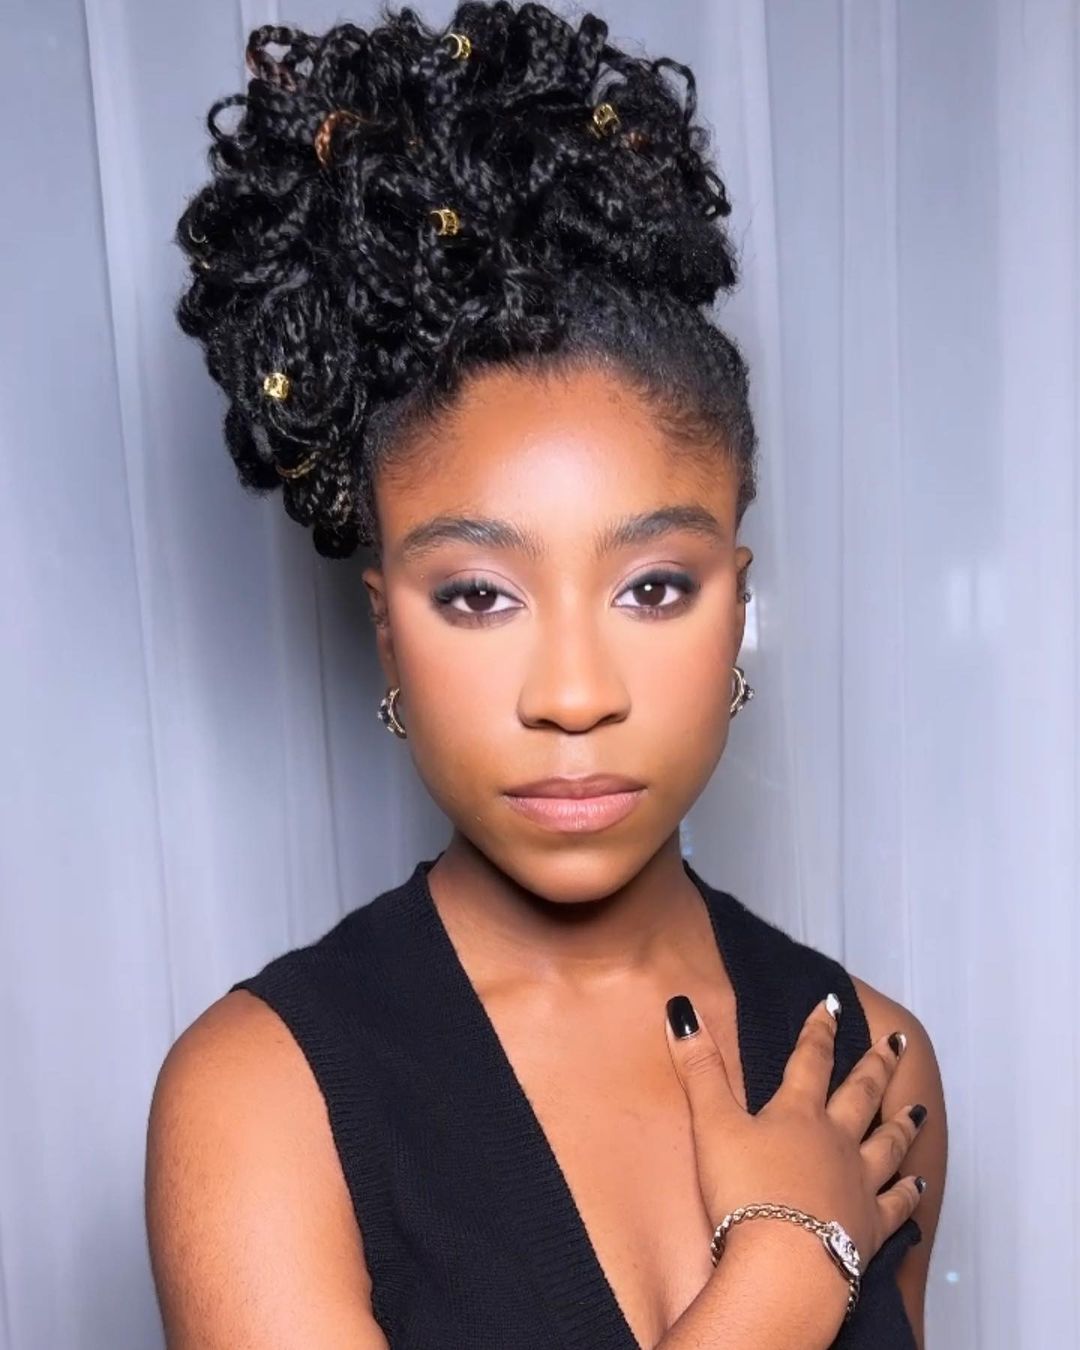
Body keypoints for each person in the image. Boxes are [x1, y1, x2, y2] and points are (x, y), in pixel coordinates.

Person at [144, 3, 948, 1347]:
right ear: (389, 631)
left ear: (738, 604)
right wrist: (787, 1270)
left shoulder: (873, 1062)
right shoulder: (260, 1094)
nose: (573, 694)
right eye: (478, 595)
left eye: (653, 588)